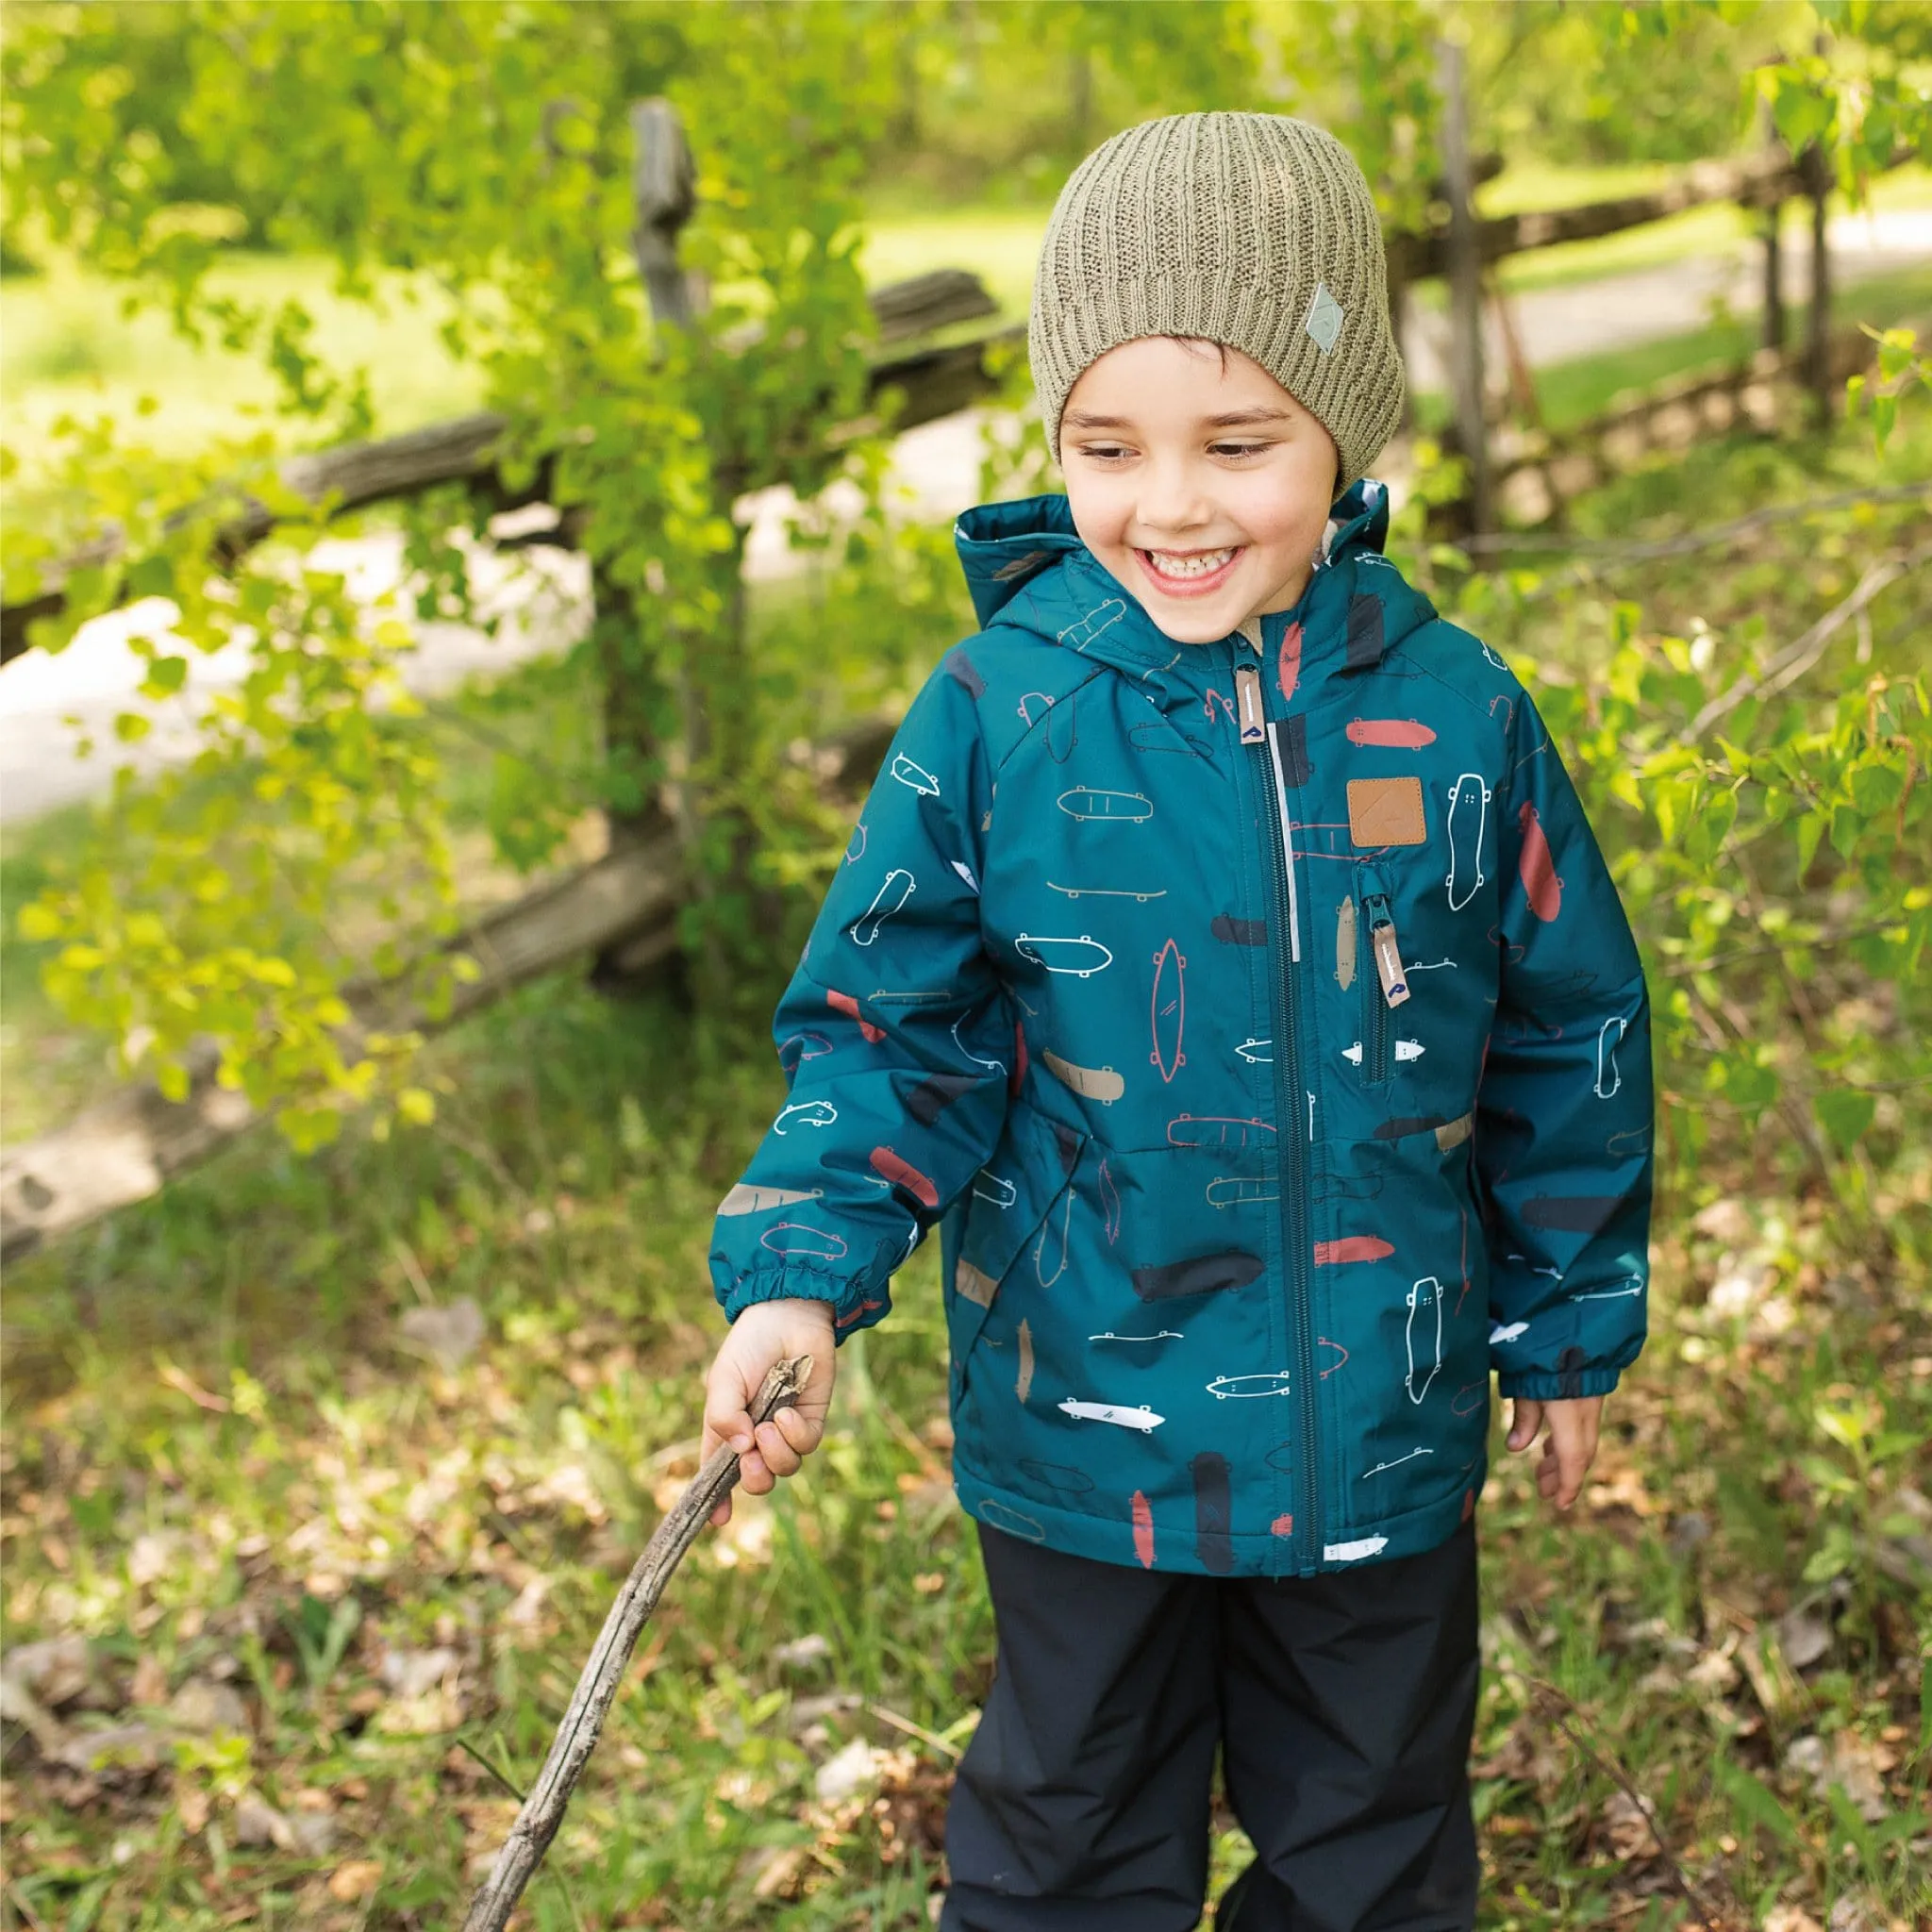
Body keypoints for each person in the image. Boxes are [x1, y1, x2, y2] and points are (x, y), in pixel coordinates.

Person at [700, 110, 1653, 1932]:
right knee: (1064, 1844)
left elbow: (1566, 1027)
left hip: (1381, 1414)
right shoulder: (1000, 712)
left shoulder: (1455, 712)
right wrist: (798, 1276)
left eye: (1239, 443)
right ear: (1055, 439)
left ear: (1345, 434)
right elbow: (889, 1026)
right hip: (1087, 1427)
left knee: (1372, 1851)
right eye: (1106, 446)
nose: (1172, 504)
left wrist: (1561, 1325)